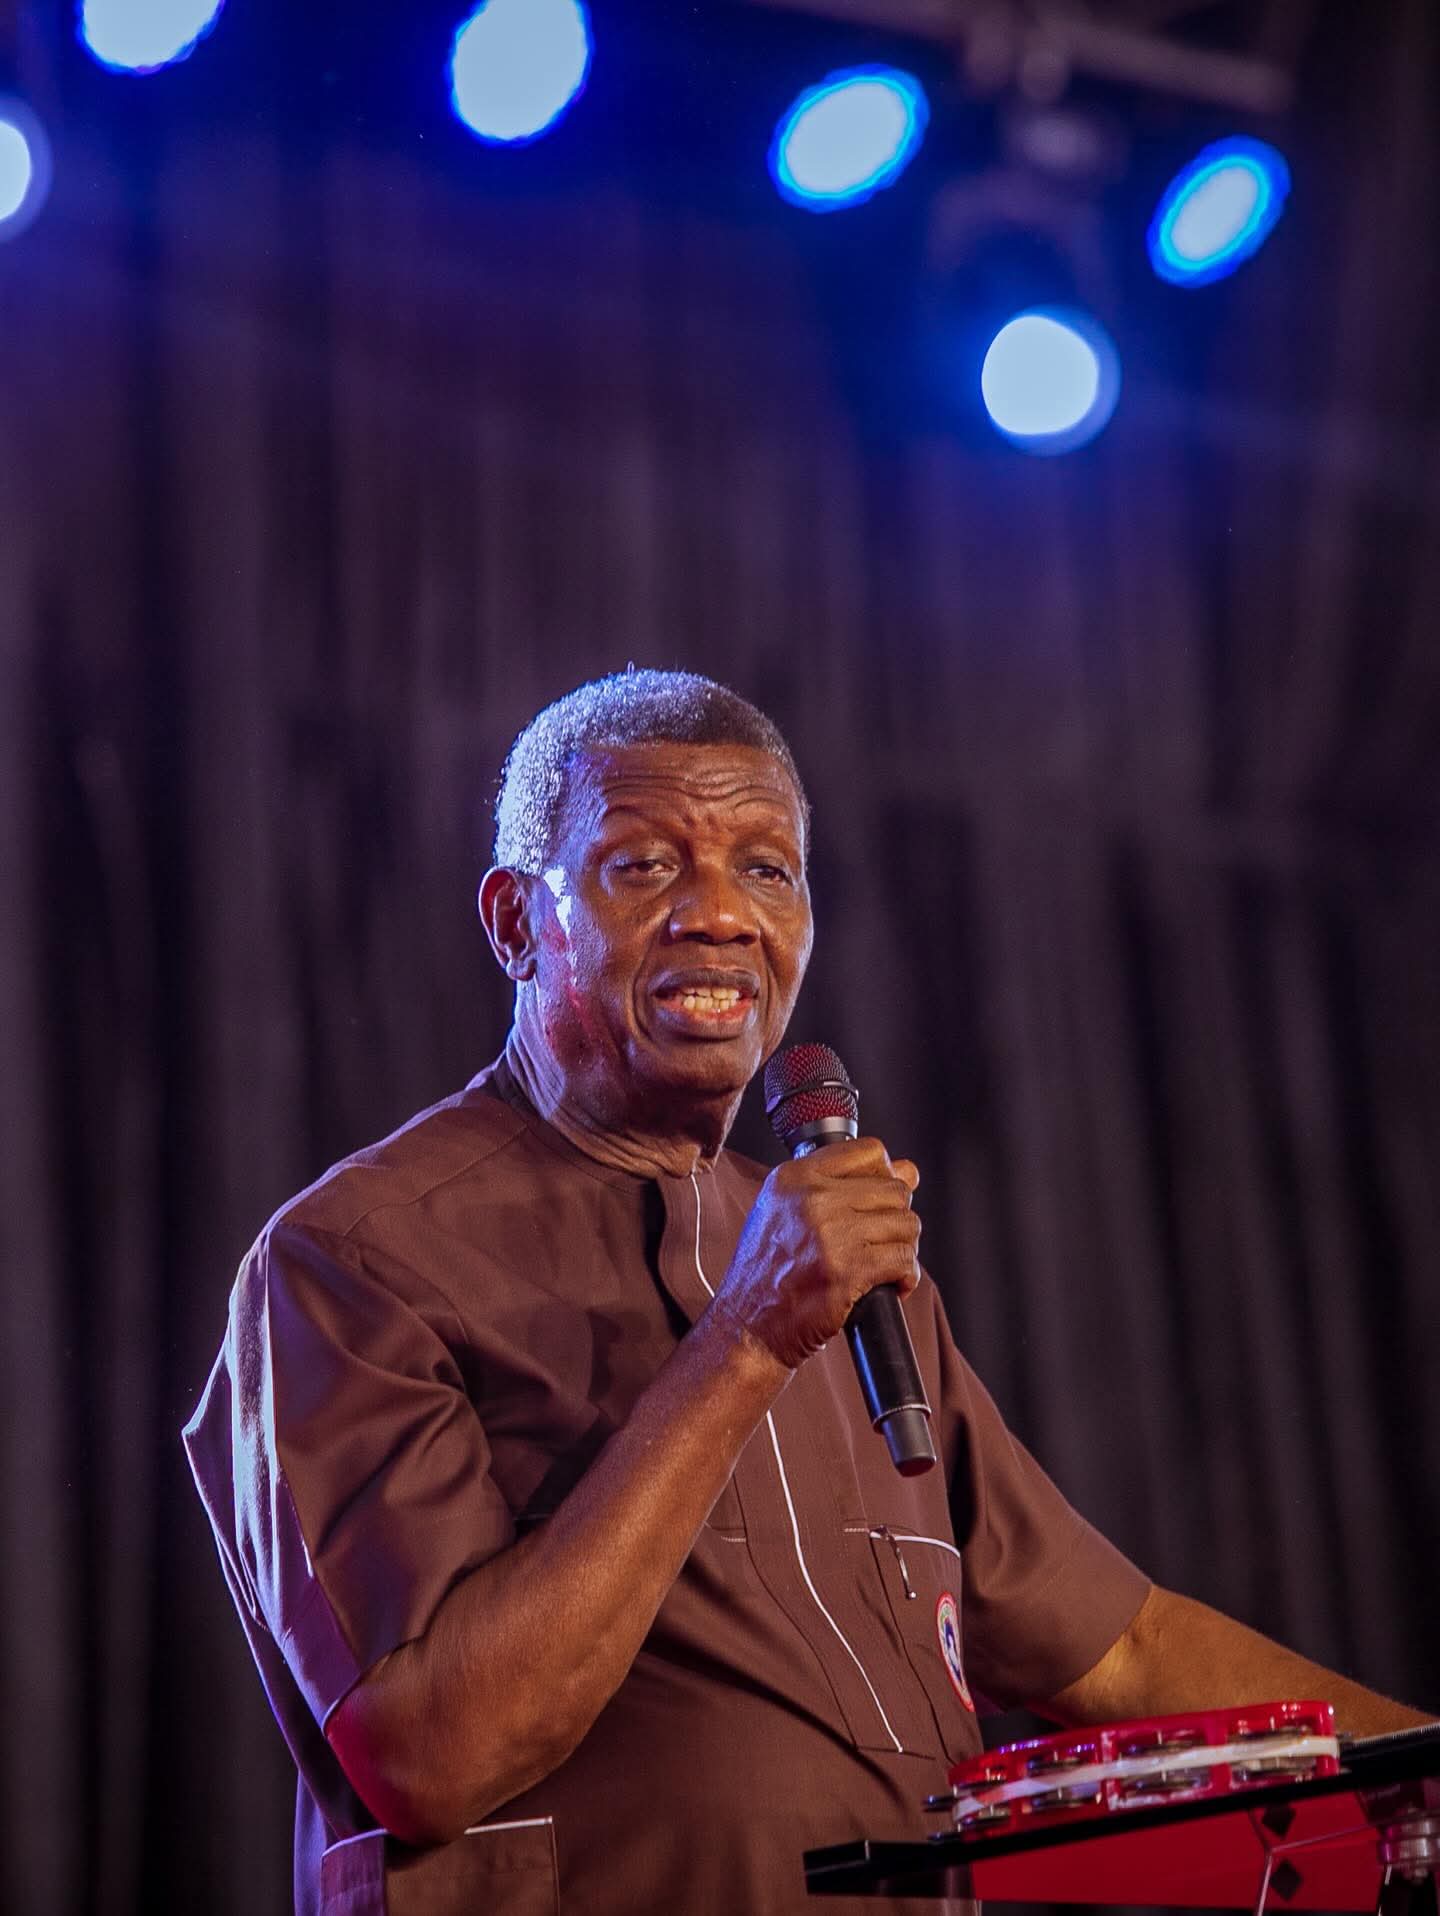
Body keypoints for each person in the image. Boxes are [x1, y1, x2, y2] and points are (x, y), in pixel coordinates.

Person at [184, 669, 1428, 1916]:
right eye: (643, 865)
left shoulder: (849, 1270)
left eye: (768, 869)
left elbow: (1125, 1646)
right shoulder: (357, 1258)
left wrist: (1417, 1776)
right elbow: (430, 1753)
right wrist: (745, 1338)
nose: (722, 914)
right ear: (517, 921)